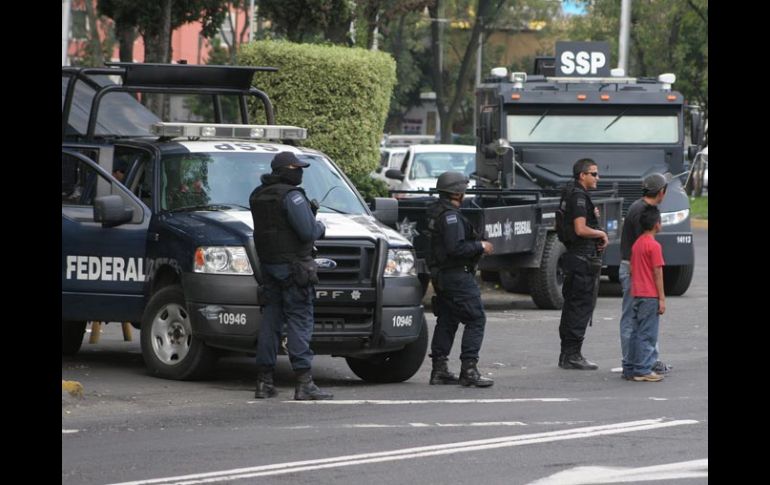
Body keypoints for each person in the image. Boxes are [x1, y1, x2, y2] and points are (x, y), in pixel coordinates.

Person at [249, 151, 333, 400]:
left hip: (269, 267)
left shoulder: (258, 195)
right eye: (296, 168)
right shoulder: (292, 196)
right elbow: (307, 231)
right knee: (300, 320)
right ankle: (304, 382)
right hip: (295, 269)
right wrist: (319, 225)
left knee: (271, 322)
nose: (300, 172)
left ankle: (264, 382)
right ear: (284, 170)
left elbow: (275, 228)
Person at [426, 171, 494, 387]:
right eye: (463, 189)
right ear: (457, 192)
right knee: (476, 319)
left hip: (443, 275)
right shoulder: (450, 217)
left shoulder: (437, 211)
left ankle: (439, 369)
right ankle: (469, 369)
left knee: (448, 319)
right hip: (456, 275)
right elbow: (455, 248)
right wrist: (480, 246)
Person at [618, 173, 672, 381]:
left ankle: (638, 363)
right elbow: (647, 260)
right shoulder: (643, 213)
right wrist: (660, 296)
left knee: (637, 321)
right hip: (636, 273)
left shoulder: (638, 207)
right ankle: (638, 364)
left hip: (634, 271)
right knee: (637, 322)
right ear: (661, 192)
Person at [558, 158, 608, 370]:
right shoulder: (578, 196)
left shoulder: (571, 192)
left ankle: (567, 354)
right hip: (582, 259)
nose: (598, 178)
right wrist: (600, 233)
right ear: (582, 175)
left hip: (576, 258)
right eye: (594, 174)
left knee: (573, 307)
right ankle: (572, 355)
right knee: (580, 307)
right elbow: (580, 229)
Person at [627, 205, 666, 382]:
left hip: (637, 293)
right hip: (650, 295)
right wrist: (662, 298)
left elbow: (632, 269)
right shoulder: (654, 246)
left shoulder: (637, 244)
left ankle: (631, 367)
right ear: (657, 224)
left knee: (636, 332)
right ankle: (643, 369)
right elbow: (657, 273)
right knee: (648, 333)